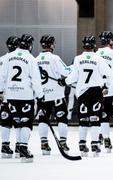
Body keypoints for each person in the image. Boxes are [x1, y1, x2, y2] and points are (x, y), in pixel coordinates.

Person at [58, 36, 113, 157]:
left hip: (82, 92)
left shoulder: (78, 59)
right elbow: (110, 74)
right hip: (95, 92)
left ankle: (82, 145)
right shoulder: (99, 59)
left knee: (83, 119)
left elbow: (73, 76)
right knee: (95, 118)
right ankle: (95, 144)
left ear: (84, 46)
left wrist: (64, 81)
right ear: (94, 46)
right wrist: (106, 87)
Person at [0, 34, 44, 162]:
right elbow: (36, 80)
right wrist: (40, 96)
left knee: (13, 121)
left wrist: (1, 91)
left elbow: (2, 76)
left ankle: (13, 146)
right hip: (25, 95)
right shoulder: (30, 58)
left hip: (10, 95)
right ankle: (23, 148)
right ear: (30, 45)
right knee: (25, 121)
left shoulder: (8, 57)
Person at [36, 34, 71, 155]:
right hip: (56, 95)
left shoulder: (35, 60)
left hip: (43, 95)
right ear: (52, 45)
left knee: (43, 119)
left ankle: (44, 143)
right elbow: (66, 72)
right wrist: (72, 67)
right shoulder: (55, 58)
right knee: (62, 118)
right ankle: (63, 142)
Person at [0, 36, 20, 158]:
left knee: (5, 121)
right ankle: (19, 146)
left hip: (5, 96)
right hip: (19, 95)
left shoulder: (2, 59)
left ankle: (5, 146)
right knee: (19, 122)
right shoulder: (19, 58)